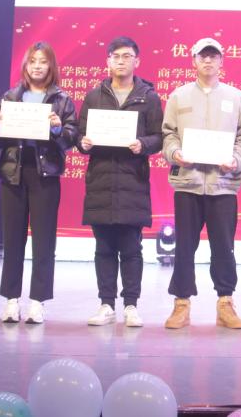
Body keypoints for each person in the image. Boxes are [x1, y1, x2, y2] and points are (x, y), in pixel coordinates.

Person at [161, 37, 241, 330]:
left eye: (213, 56)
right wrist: (175, 153)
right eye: (202, 56)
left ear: (221, 61)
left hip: (223, 184)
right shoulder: (178, 97)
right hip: (187, 184)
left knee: (224, 247)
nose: (208, 60)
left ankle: (225, 303)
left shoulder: (237, 98)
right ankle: (181, 304)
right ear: (193, 60)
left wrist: (236, 160)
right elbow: (168, 134)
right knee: (184, 247)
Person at [0, 41, 77, 325]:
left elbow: (71, 138)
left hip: (45, 174)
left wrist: (58, 129)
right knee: (12, 239)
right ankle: (11, 300)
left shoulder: (61, 99)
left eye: (43, 61)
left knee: (44, 240)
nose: (37, 66)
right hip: (14, 172)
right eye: (33, 61)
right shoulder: (11, 96)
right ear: (26, 65)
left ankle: (38, 301)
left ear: (51, 66)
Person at [77, 37, 163, 328]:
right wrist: (83, 142)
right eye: (116, 56)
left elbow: (159, 137)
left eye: (127, 56)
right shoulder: (94, 96)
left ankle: (131, 305)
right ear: (108, 61)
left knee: (131, 248)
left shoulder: (148, 97)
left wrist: (143, 144)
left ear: (137, 61)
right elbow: (79, 134)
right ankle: (106, 304)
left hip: (132, 181)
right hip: (100, 180)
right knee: (103, 248)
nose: (121, 61)